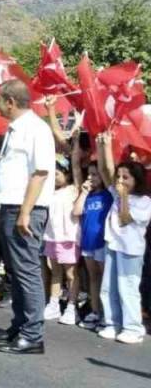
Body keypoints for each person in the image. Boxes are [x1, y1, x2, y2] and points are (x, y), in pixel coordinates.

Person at [0, 79, 55, 355]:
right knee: (15, 271)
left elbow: (40, 172)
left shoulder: (35, 129)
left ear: (11, 102)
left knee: (27, 272)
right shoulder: (15, 130)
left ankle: (33, 335)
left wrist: (25, 211)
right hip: (9, 207)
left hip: (26, 209)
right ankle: (19, 325)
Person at [96, 132, 150, 344]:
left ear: (136, 180)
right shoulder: (117, 193)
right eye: (119, 177)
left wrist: (124, 196)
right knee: (108, 286)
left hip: (131, 251)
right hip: (114, 245)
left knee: (127, 288)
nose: (119, 181)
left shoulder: (144, 201)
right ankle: (112, 323)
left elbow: (125, 219)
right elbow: (104, 169)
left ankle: (133, 327)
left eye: (125, 177)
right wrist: (104, 145)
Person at [74, 133, 113, 330]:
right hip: (88, 243)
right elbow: (77, 211)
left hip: (102, 242)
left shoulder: (109, 195)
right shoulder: (87, 195)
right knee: (93, 278)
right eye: (89, 174)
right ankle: (95, 312)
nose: (91, 177)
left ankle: (108, 315)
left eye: (95, 174)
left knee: (106, 279)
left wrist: (104, 148)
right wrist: (84, 191)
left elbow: (109, 170)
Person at [44, 155, 80, 325]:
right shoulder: (49, 190)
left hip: (69, 239)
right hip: (51, 237)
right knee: (55, 272)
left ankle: (72, 307)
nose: (55, 176)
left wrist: (74, 147)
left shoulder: (74, 189)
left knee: (71, 274)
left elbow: (77, 168)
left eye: (57, 173)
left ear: (67, 173)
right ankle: (54, 304)